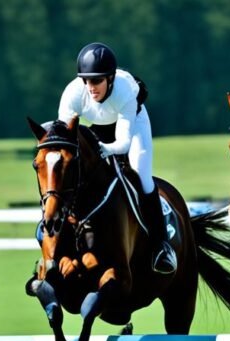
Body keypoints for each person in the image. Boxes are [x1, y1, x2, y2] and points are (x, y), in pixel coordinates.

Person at [57, 42, 177, 274]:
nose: (91, 87)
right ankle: (55, 238)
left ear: (110, 79)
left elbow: (122, 142)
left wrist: (102, 149)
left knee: (141, 171)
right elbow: (65, 137)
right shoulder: (73, 94)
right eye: (87, 80)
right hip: (97, 127)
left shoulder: (124, 92)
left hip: (132, 125)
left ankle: (162, 246)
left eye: (97, 81)